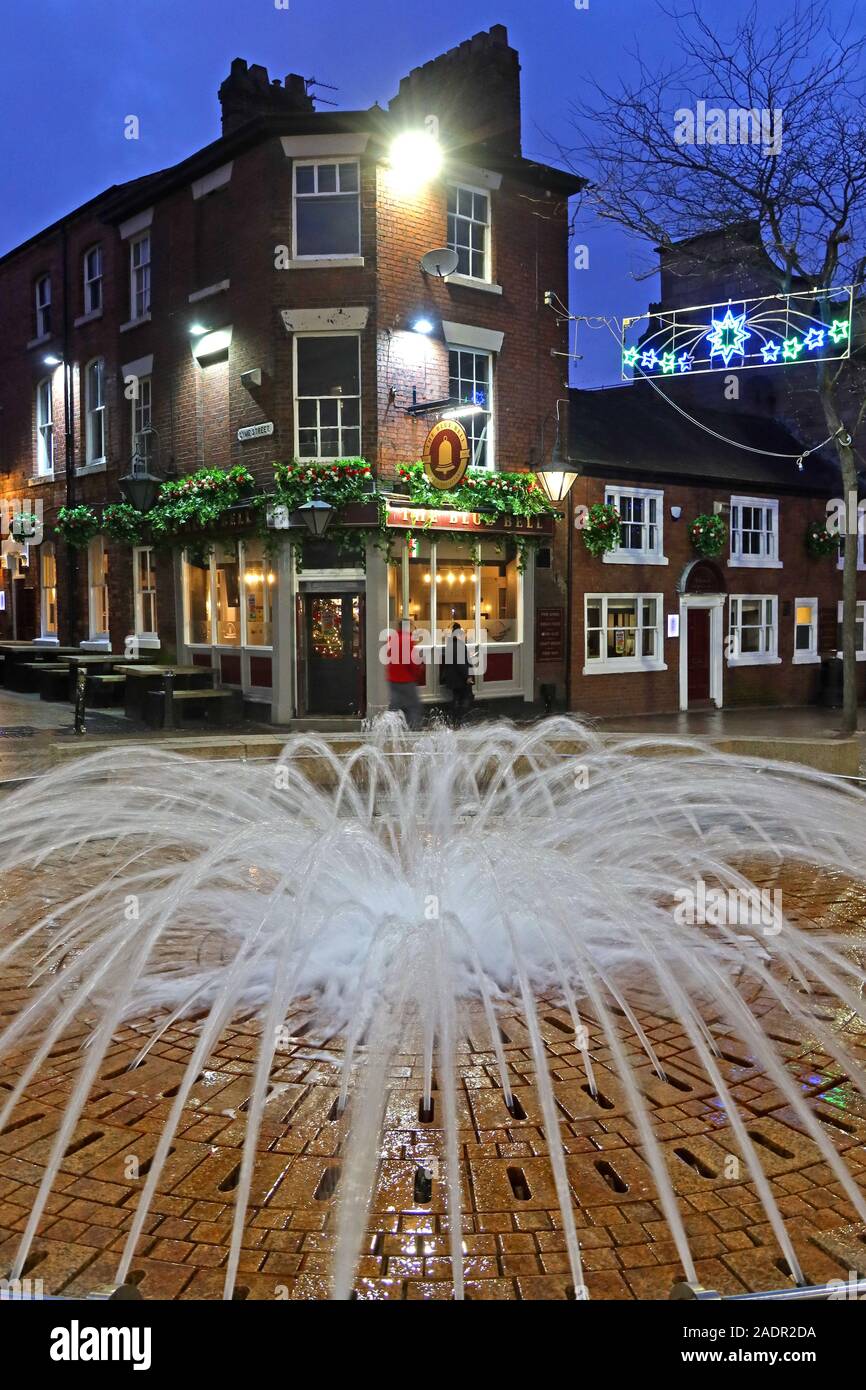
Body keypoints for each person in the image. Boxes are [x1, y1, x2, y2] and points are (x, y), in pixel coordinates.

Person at [385, 619, 424, 729]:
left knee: (394, 706)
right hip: (406, 679)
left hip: (393, 679)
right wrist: (417, 674)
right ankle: (414, 729)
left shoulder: (392, 638)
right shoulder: (407, 640)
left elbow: (389, 656)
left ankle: (387, 729)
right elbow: (412, 661)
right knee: (413, 706)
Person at [440, 622, 473, 726]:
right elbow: (461, 663)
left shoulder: (449, 645)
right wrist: (467, 676)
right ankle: (460, 719)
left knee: (456, 698)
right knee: (466, 698)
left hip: (452, 678)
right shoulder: (460, 645)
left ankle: (454, 720)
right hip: (460, 678)